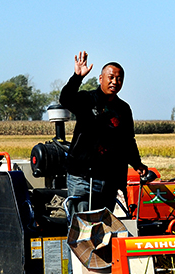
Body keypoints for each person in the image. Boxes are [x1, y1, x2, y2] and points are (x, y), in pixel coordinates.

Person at [60, 51, 148, 220]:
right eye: (111, 77)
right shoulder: (87, 100)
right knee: (81, 229)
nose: (115, 81)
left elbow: (128, 140)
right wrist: (77, 77)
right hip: (82, 176)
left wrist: (137, 163)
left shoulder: (123, 109)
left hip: (109, 178)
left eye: (119, 78)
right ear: (101, 79)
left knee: (103, 228)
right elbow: (66, 99)